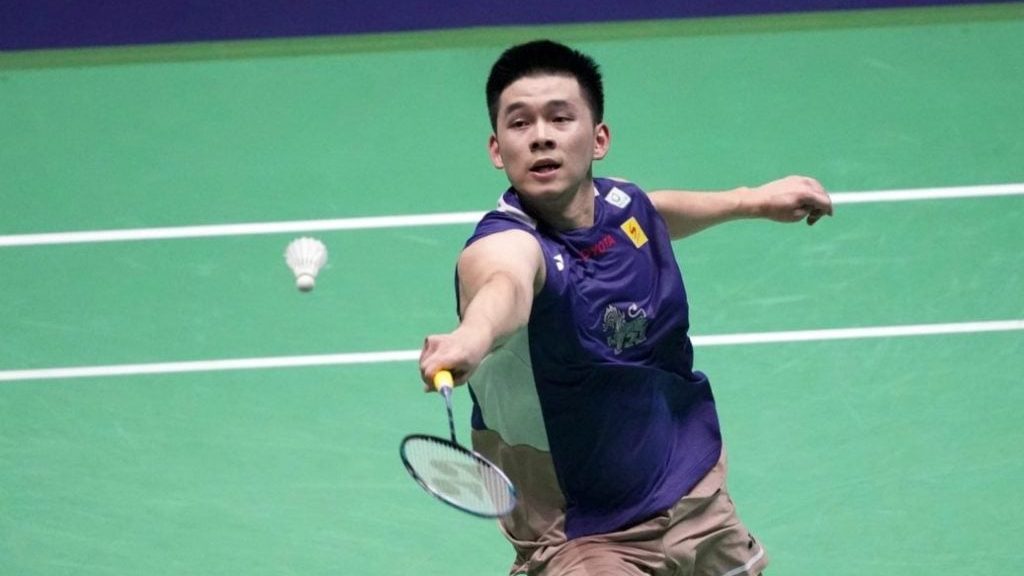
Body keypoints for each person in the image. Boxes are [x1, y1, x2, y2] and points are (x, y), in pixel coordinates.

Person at [418, 39, 832, 576]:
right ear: (497, 149)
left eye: (560, 118)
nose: (541, 135)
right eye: (520, 123)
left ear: (599, 138)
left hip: (690, 489)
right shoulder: (505, 245)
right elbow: (505, 285)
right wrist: (473, 337)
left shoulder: (621, 204)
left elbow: (652, 212)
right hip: (584, 532)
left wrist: (751, 200)